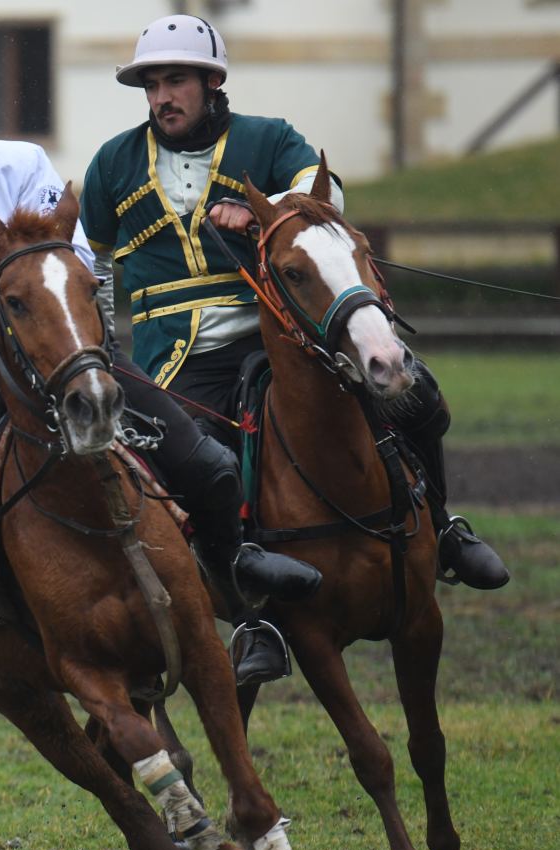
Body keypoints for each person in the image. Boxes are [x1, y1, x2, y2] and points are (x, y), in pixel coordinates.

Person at [0, 66, 322, 683]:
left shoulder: (18, 166)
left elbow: (76, 257)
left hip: (69, 359)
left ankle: (245, 610)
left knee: (208, 465)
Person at [79, 15, 508, 681]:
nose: (163, 96)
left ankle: (446, 530)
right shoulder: (113, 162)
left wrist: (265, 210)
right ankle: (253, 617)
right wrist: (99, 340)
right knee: (200, 460)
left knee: (414, 396)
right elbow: (92, 260)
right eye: (152, 84)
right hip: (178, 361)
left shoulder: (268, 138)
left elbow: (327, 197)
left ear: (211, 82)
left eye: (176, 81)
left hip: (279, 336)